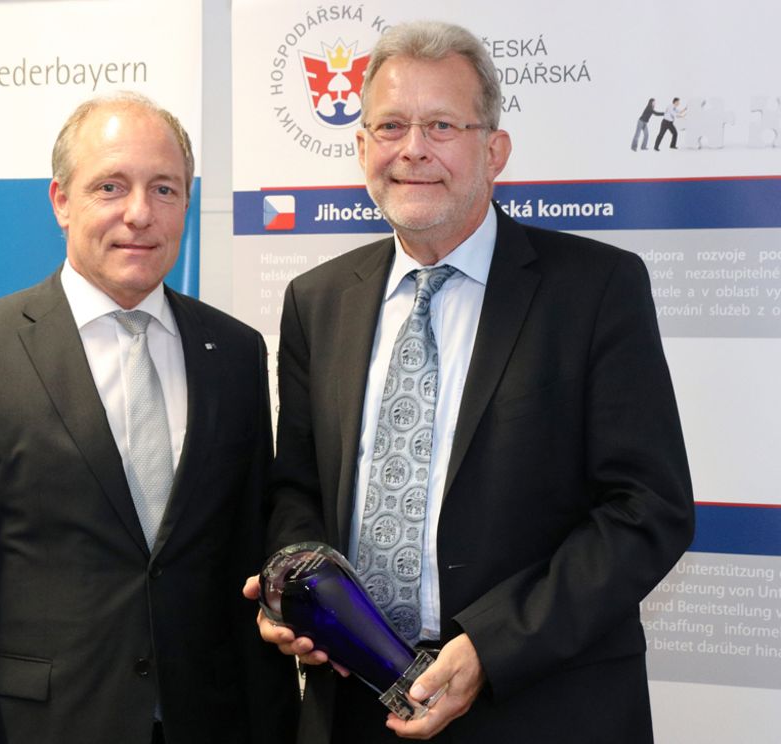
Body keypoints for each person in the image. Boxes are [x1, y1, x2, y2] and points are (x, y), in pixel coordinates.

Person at [244, 21, 693, 743]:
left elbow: (647, 510)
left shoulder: (596, 289)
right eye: (390, 125)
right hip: (354, 708)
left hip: (540, 703)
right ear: (361, 149)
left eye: (442, 125)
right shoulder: (317, 301)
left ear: (494, 151)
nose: (413, 148)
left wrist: (492, 647)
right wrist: (299, 589)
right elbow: (297, 490)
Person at [0, 92, 299, 744]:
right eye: (110, 186)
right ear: (61, 200)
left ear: (187, 204)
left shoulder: (235, 352)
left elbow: (244, 562)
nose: (139, 214)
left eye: (164, 189)